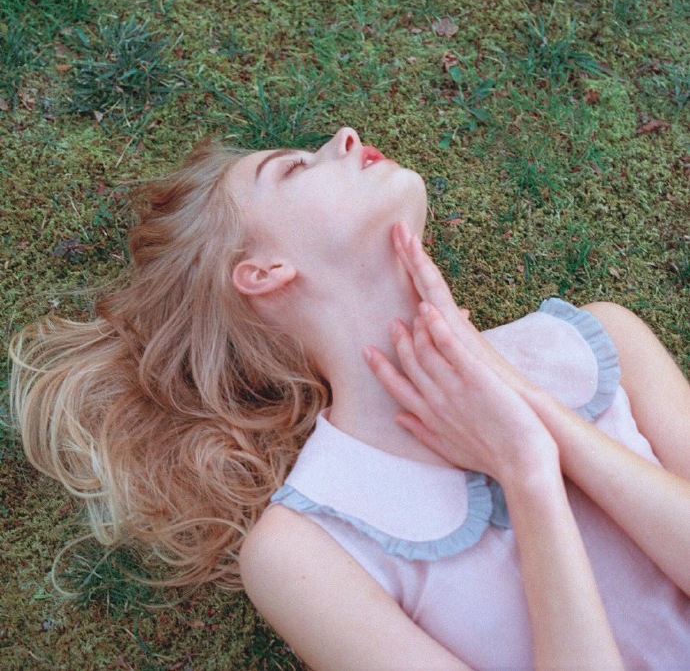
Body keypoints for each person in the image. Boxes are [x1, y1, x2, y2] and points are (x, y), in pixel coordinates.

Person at [10, 127, 690, 670]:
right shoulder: (303, 553)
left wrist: (530, 408)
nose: (345, 136)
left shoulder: (604, 341)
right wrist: (527, 469)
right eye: (293, 169)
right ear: (263, 272)